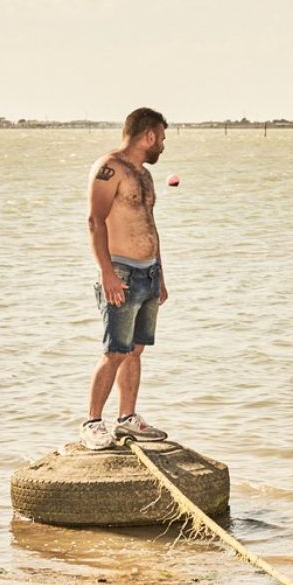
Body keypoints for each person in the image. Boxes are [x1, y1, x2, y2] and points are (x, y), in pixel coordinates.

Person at [80, 108, 171, 449]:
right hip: (120, 271)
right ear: (148, 135)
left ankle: (127, 419)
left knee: (135, 351)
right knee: (114, 351)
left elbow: (150, 225)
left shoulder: (144, 176)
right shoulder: (110, 168)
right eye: (161, 138)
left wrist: (160, 274)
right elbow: (95, 221)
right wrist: (107, 273)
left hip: (148, 272)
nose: (162, 144)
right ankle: (91, 422)